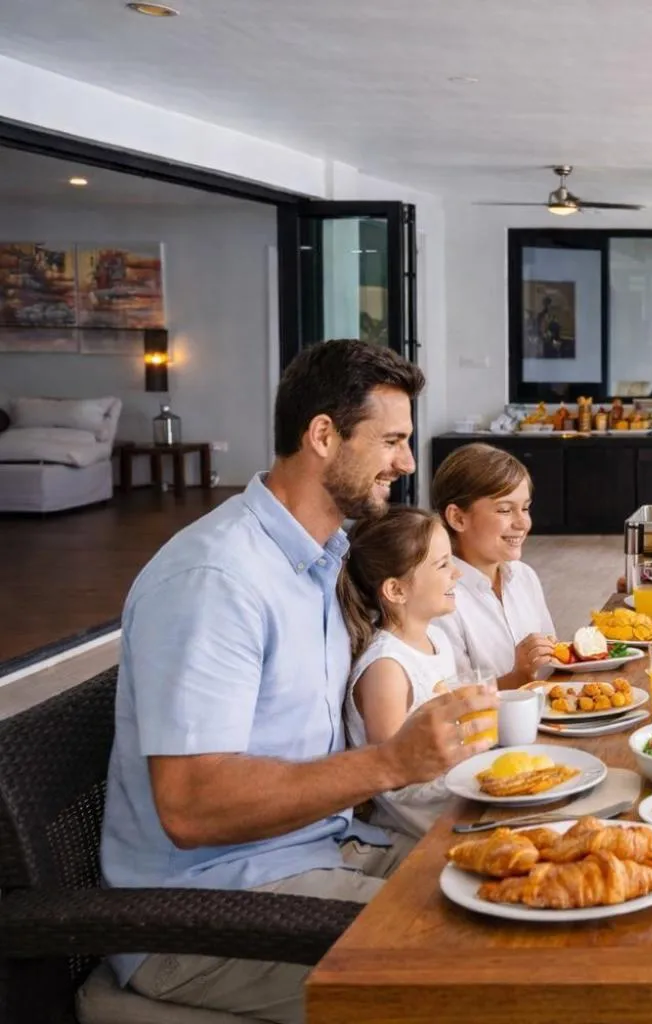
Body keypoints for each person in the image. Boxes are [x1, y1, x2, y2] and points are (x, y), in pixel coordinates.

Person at [98, 339, 498, 1023]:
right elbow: (191, 806)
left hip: (320, 850)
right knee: (487, 971)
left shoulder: (321, 560)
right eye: (392, 441)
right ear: (322, 436)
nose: (405, 463)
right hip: (203, 914)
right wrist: (389, 762)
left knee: (530, 888)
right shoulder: (217, 579)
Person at [339, 507, 465, 838]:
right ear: (396, 590)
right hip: (421, 831)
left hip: (460, 798)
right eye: (443, 565)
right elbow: (396, 778)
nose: (457, 573)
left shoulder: (436, 638)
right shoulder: (387, 668)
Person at [432, 442, 558, 688]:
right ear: (458, 518)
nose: (523, 523)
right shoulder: (440, 599)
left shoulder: (524, 576)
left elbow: (553, 666)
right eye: (504, 510)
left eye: (525, 508)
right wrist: (519, 677)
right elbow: (454, 702)